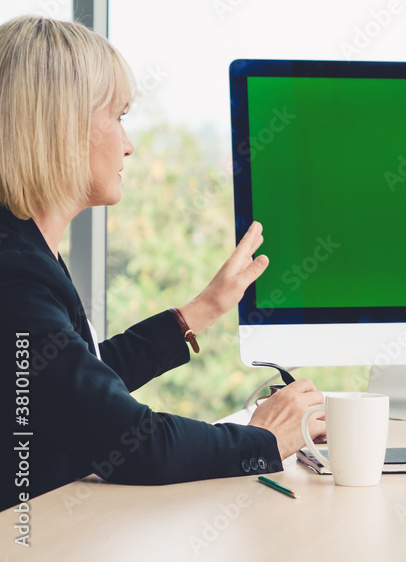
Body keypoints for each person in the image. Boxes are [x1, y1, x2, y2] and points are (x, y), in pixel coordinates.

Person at [0, 16, 325, 511]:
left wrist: (202, 309)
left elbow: (76, 385)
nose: (129, 143)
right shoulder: (15, 275)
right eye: (119, 116)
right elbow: (130, 442)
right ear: (63, 125)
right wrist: (264, 439)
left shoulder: (23, 251)